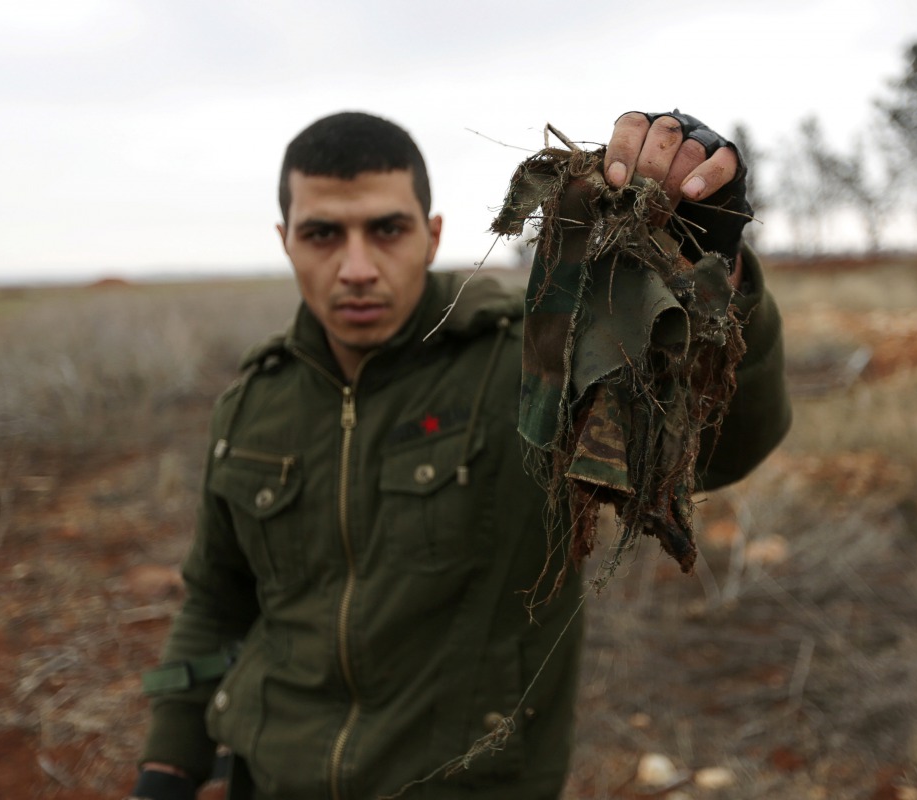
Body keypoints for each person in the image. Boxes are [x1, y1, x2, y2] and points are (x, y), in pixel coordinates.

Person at [129, 110, 791, 800]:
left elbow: (719, 450)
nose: (356, 268)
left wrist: (719, 275)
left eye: (386, 229)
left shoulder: (533, 365)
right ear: (286, 242)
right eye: (323, 234)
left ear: (431, 235)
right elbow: (214, 600)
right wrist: (168, 765)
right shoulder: (254, 402)